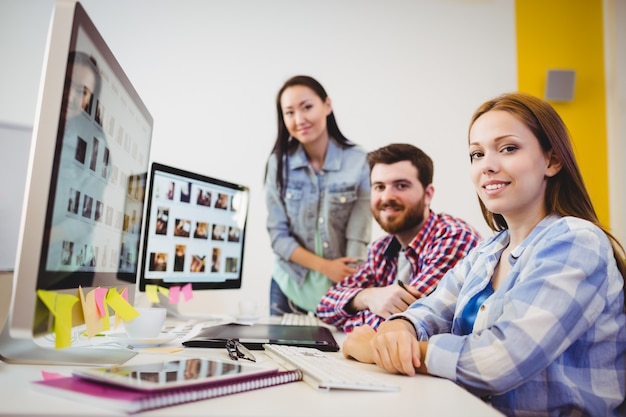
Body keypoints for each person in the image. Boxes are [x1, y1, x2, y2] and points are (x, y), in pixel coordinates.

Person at [342, 92, 626, 416]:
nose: (487, 166)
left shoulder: (577, 242)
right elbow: (429, 311)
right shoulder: (488, 251)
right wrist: (399, 328)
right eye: (477, 154)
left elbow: (499, 361)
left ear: (552, 160)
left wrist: (377, 348)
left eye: (508, 148)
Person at [316, 143, 481, 332]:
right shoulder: (381, 249)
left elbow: (399, 324)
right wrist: (367, 297)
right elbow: (324, 308)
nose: (386, 197)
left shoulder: (454, 237)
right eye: (379, 187)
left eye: (401, 186)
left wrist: (351, 317)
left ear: (428, 195)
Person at [265, 75, 372, 315]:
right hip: (289, 287)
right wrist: (325, 267)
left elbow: (358, 234)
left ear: (327, 105)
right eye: (289, 112)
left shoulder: (358, 161)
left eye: (307, 107)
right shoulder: (277, 164)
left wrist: (349, 285)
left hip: (340, 290)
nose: (299, 119)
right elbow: (278, 236)